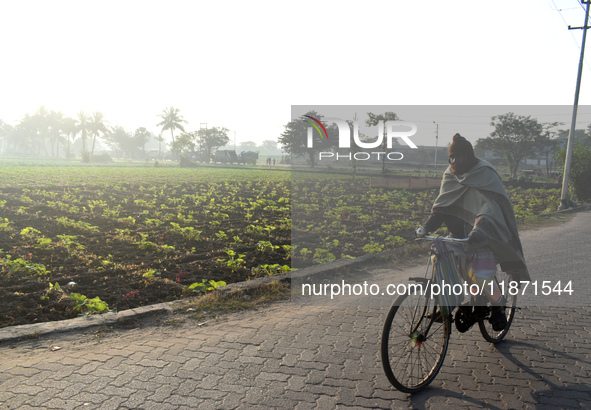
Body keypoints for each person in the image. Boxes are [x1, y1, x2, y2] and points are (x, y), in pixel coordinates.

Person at [415, 133, 530, 331]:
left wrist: (480, 228)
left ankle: (498, 306)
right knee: (441, 260)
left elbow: (490, 208)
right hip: (458, 237)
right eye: (452, 158)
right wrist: (426, 227)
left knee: (482, 276)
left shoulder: (484, 172)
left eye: (460, 157)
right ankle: (445, 303)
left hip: (483, 237)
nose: (455, 161)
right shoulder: (450, 175)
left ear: (470, 157)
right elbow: (443, 206)